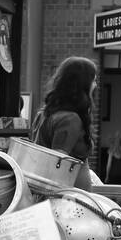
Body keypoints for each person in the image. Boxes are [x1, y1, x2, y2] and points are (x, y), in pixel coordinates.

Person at [33, 56, 98, 190]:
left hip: (65, 198)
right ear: (82, 84)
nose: (95, 85)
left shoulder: (45, 113)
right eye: (93, 80)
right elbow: (58, 166)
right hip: (70, 200)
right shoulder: (70, 119)